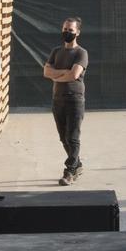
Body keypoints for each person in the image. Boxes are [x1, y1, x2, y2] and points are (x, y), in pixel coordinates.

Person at [43, 17, 89, 184]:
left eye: (70, 30)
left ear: (77, 32)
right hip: (57, 100)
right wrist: (64, 74)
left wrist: (57, 75)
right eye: (65, 29)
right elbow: (46, 72)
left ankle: (69, 171)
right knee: (63, 138)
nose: (67, 32)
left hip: (75, 100)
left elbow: (74, 75)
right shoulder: (56, 51)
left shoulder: (81, 53)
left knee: (73, 137)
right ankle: (77, 164)